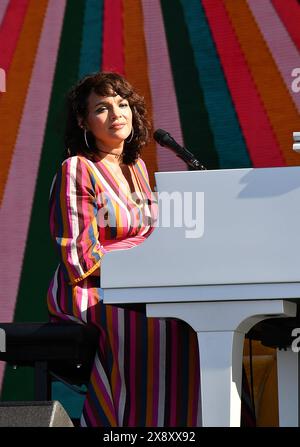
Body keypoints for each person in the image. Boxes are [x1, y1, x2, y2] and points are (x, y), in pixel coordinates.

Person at [47, 72, 254, 427]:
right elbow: (79, 257)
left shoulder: (137, 168)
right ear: (83, 120)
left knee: (196, 322)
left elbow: (153, 237)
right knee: (154, 327)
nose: (117, 114)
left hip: (147, 284)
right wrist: (143, 272)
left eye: (123, 104)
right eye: (102, 108)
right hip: (95, 290)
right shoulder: (76, 168)